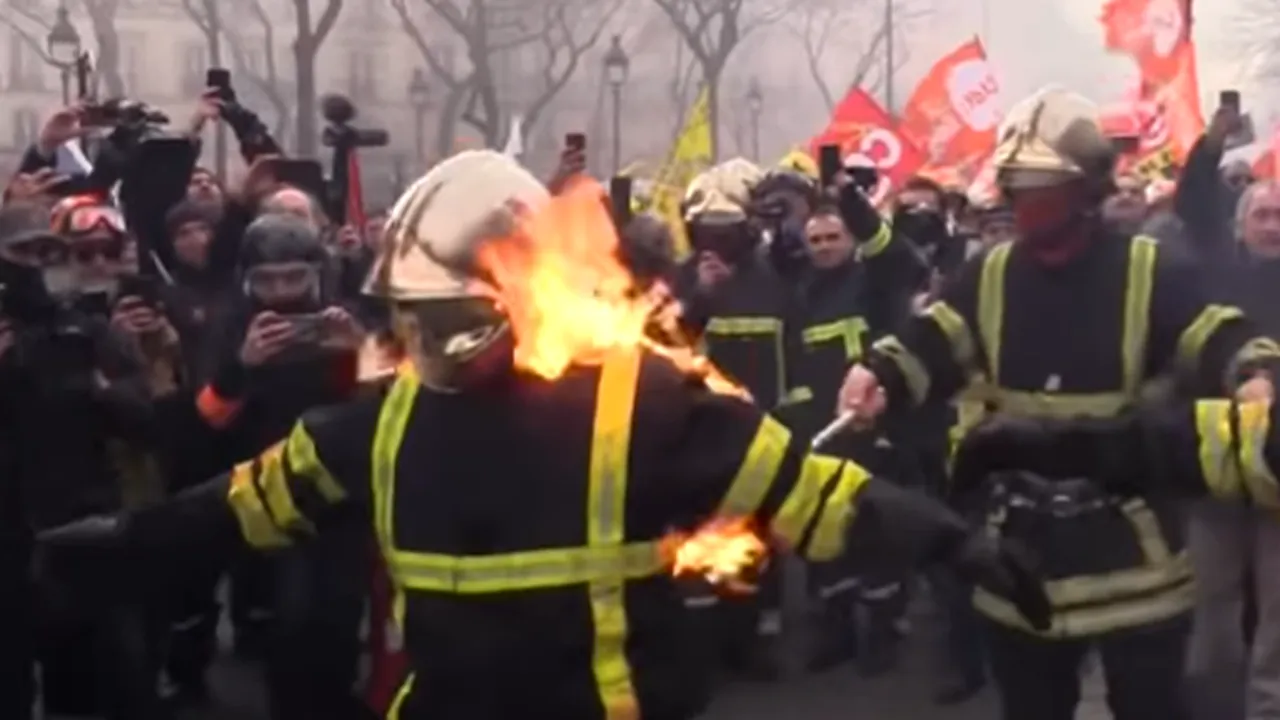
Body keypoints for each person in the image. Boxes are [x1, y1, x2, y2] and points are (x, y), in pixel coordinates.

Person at [39, 150, 1050, 720]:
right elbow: (237, 510)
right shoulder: (384, 420)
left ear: (517, 293)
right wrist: (117, 551)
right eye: (415, 316)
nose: (428, 340)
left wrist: (947, 541)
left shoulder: (641, 401)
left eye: (450, 314)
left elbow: (812, 496)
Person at [836, 86, 1280, 720]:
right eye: (1017, 187)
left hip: (1135, 561)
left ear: (1087, 191)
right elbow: (931, 341)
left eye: (1044, 188)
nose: (1028, 205)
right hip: (1022, 555)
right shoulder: (988, 273)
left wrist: (1255, 373)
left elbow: (1221, 333)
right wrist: (878, 372)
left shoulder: (1148, 269)